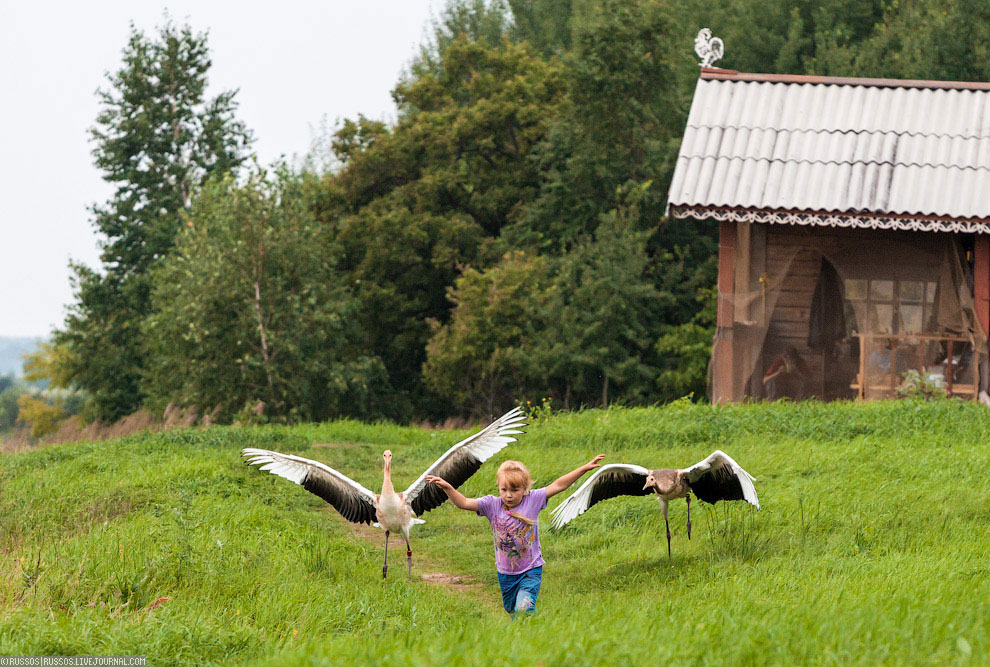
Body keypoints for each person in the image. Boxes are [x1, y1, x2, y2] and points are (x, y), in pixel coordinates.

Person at [425, 453, 605, 616]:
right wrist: (447, 487)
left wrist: (584, 468)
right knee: (513, 611)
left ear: (525, 488)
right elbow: (463, 503)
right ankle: (526, 637)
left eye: (514, 490)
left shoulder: (533, 500)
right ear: (498, 487)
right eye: (504, 490)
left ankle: (542, 630)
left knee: (524, 609)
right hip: (505, 573)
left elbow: (559, 484)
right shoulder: (491, 505)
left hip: (530, 570)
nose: (509, 495)